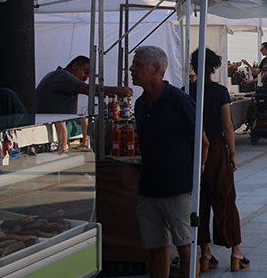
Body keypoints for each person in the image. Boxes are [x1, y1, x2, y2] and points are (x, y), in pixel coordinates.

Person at [129, 45, 207, 278]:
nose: (131, 69)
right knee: (155, 248)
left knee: (184, 248)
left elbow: (203, 142)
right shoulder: (141, 104)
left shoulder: (178, 100)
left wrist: (196, 176)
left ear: (156, 69)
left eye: (138, 64)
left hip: (177, 188)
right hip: (149, 188)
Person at [189, 49, 248, 272]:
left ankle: (205, 254)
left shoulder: (187, 91)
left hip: (194, 148)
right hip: (215, 148)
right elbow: (227, 126)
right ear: (214, 67)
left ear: (193, 66)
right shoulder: (219, 91)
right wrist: (232, 154)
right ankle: (236, 252)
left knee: (200, 201)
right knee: (225, 199)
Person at [35, 55, 133, 153]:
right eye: (85, 72)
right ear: (75, 66)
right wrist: (115, 90)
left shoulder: (57, 76)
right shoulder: (62, 75)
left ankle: (82, 143)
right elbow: (87, 89)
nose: (85, 78)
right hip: (49, 123)